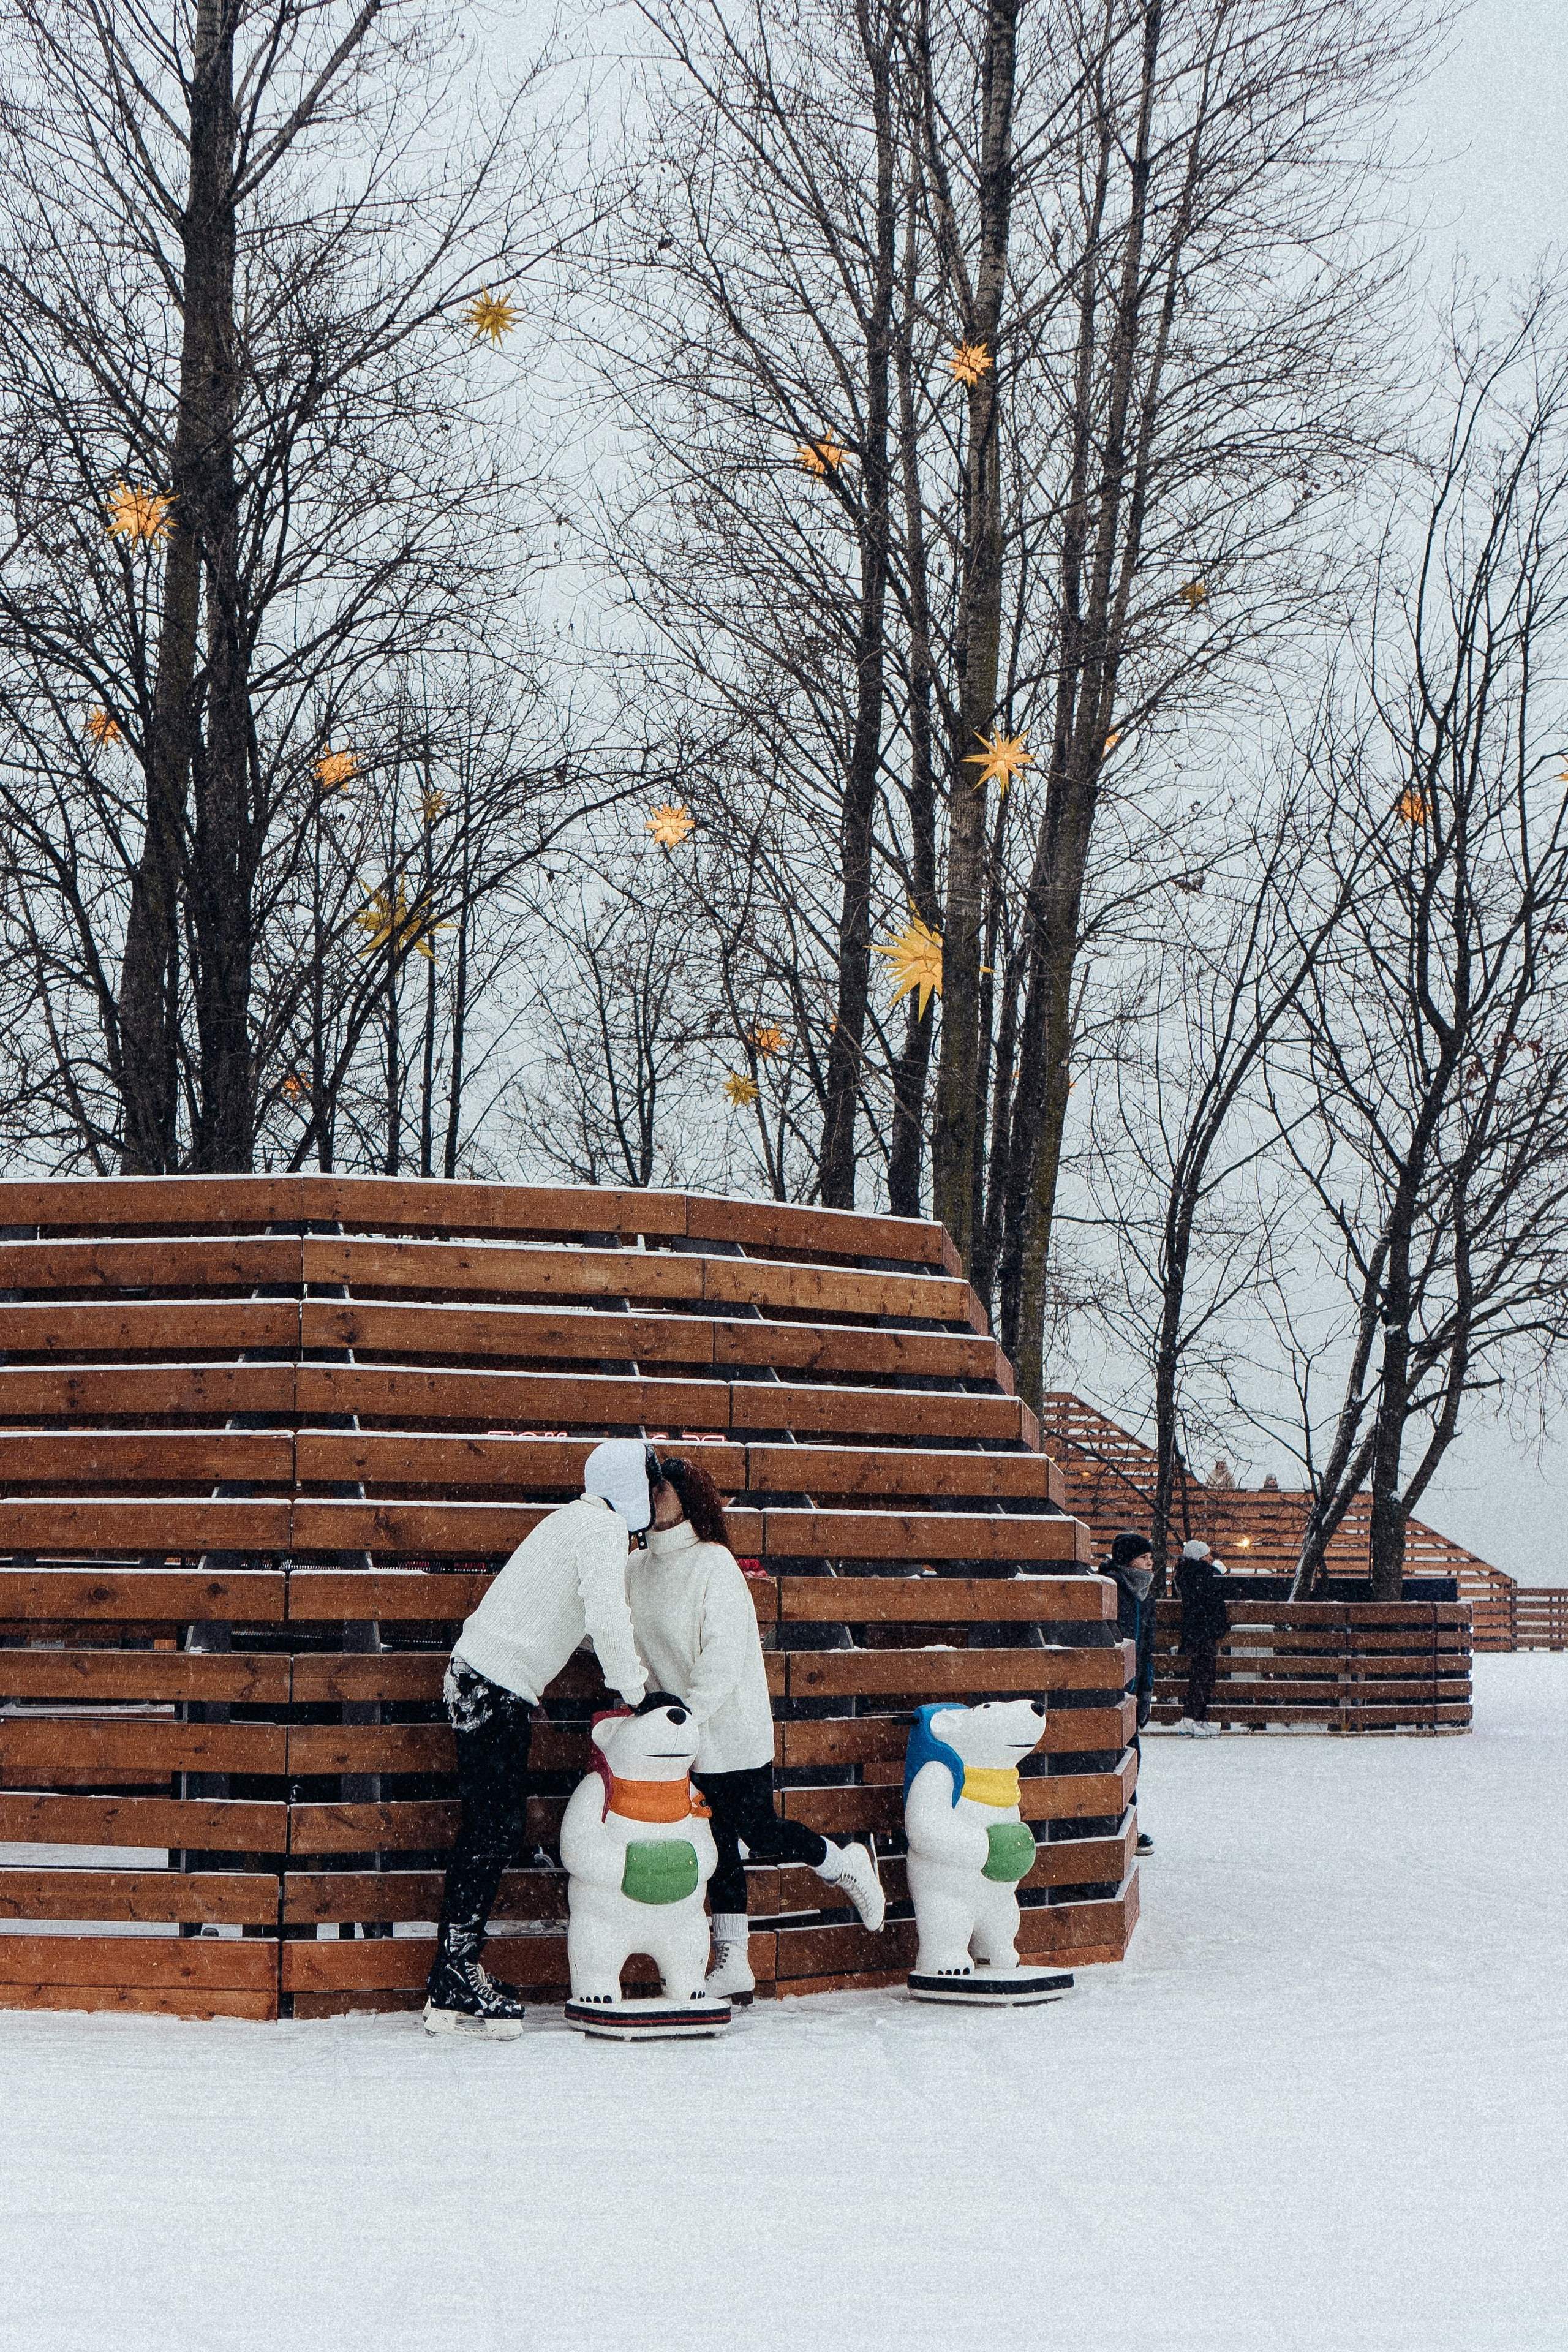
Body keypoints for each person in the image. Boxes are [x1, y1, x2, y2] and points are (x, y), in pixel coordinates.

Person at [627, 1453, 885, 2002]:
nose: (654, 1496)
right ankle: (734, 1964)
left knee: (759, 1831)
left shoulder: (714, 1564)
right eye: (650, 1487)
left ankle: (846, 1865)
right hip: (678, 1738)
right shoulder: (635, 1568)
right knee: (714, 1846)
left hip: (730, 1729)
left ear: (689, 1498)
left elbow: (722, 1657)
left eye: (664, 1489)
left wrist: (687, 1717)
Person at [423, 1438, 653, 2037]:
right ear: (632, 1489)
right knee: (492, 1831)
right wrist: (639, 1691)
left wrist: (610, 1658)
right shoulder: (602, 1530)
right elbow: (605, 1616)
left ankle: (453, 1974)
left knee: (489, 1829)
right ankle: (453, 1980)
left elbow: (563, 1617)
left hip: (480, 1678)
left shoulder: (571, 1520)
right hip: (494, 1686)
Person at [1098, 1529, 1156, 1854]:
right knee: (1117, 1759)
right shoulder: (1110, 1588)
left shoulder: (1145, 1596)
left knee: (1131, 1759)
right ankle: (1119, 1829)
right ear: (1128, 1560)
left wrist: (1145, 1691)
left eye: (1152, 1559)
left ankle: (1126, 1827)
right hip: (1109, 1689)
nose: (1151, 1564)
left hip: (1131, 1692)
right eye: (1145, 1558)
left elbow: (1147, 1649)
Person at [1174, 1537, 1229, 1738]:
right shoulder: (1202, 1575)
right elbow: (1214, 1598)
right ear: (1200, 1557)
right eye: (1207, 1555)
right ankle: (1191, 1719)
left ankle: (1198, 1718)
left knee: (1203, 1676)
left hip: (1197, 1632)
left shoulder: (1189, 1575)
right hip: (1202, 1632)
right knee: (1202, 1677)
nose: (1210, 1558)